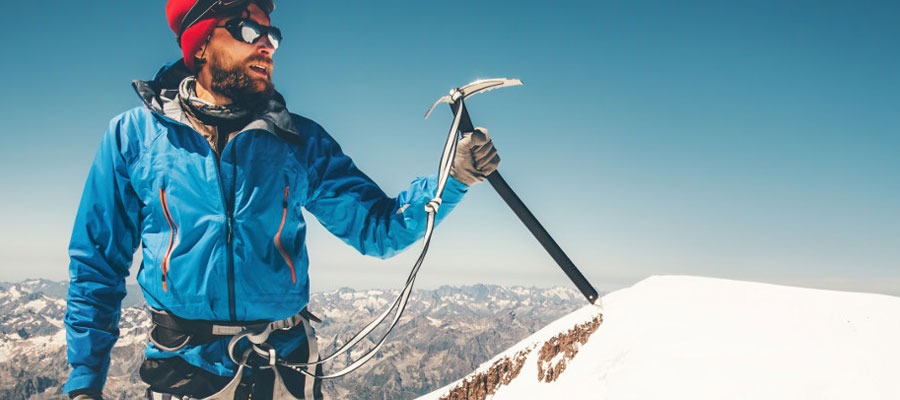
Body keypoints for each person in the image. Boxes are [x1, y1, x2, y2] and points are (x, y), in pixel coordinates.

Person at [63, 1, 500, 399]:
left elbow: (378, 229)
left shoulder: (298, 141)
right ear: (200, 45)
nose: (267, 45)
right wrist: (85, 380)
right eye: (248, 31)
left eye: (272, 35)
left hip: (282, 368)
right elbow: (96, 264)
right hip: (185, 368)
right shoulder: (134, 137)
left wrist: (453, 177)